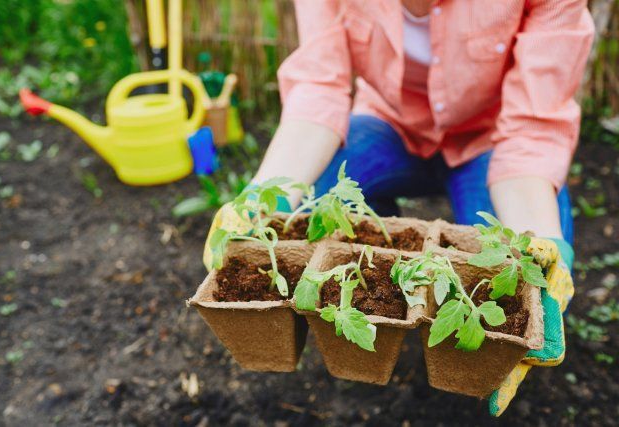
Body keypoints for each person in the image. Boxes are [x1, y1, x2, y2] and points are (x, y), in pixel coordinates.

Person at [205, 0, 593, 416]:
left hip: (492, 138)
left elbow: (532, 131)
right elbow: (318, 87)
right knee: (323, 200)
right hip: (389, 121)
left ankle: (476, 359)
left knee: (515, 268)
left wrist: (539, 236)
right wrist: (264, 197)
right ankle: (379, 293)